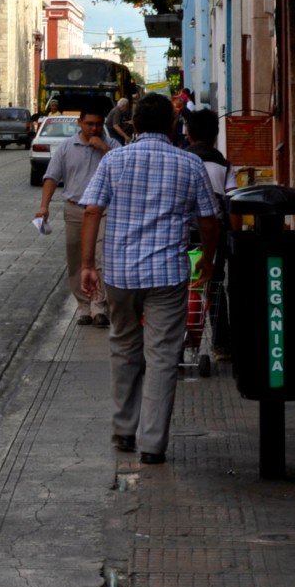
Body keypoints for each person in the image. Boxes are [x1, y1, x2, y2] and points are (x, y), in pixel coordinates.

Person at [79, 92, 220, 465]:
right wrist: (208, 258)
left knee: (124, 347)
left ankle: (125, 429)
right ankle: (153, 445)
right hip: (167, 276)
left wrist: (87, 265)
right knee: (162, 357)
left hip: (122, 275)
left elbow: (92, 210)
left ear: (134, 126)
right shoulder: (189, 164)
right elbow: (209, 218)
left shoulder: (115, 161)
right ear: (174, 126)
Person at [34, 102, 111, 324]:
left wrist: (103, 149)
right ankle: (84, 307)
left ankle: (99, 306)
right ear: (80, 123)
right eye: (89, 124)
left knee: (99, 258)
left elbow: (122, 168)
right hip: (75, 209)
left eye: (98, 124)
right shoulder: (67, 147)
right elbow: (51, 177)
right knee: (77, 258)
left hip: (102, 211)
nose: (93, 129)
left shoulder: (112, 146)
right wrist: (44, 206)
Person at [183, 106, 236, 353]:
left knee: (181, 288)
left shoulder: (179, 160)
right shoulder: (224, 165)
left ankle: (180, 339)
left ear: (188, 134)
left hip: (182, 236)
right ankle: (222, 345)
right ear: (215, 135)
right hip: (214, 236)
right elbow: (232, 204)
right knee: (214, 286)